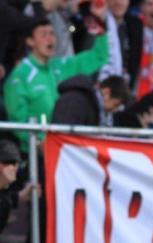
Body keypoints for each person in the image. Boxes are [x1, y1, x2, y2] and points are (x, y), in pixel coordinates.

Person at [3, 16, 108, 152]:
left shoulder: (61, 66)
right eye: (43, 34)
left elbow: (99, 57)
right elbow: (17, 120)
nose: (50, 38)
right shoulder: (20, 75)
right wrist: (40, 141)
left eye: (52, 33)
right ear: (30, 41)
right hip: (34, 156)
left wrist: (99, 28)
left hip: (64, 148)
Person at [52, 75, 130, 126]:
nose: (115, 110)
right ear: (106, 92)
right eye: (116, 105)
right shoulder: (74, 101)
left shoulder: (96, 108)